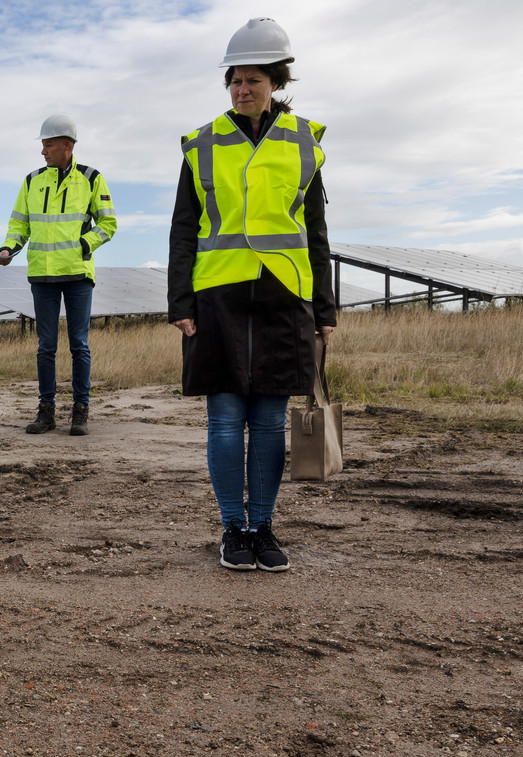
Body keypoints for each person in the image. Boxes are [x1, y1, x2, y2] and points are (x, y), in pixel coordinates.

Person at [167, 17, 337, 572]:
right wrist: (181, 304)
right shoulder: (202, 144)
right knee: (223, 420)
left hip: (285, 296)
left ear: (276, 83)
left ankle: (262, 525)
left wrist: (325, 308)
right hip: (217, 296)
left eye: (254, 80)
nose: (243, 89)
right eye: (235, 80)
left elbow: (315, 232)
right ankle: (231, 529)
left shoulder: (304, 142)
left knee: (267, 422)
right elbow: (184, 229)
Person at [0, 114, 117, 437]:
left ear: (68, 145)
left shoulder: (92, 179)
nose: (43, 151)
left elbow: (108, 225)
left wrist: (83, 243)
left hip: (78, 274)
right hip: (41, 275)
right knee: (45, 346)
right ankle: (46, 412)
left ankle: (80, 412)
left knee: (79, 345)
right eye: (43, 145)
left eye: (48, 144)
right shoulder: (31, 181)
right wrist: (9, 248)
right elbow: (18, 225)